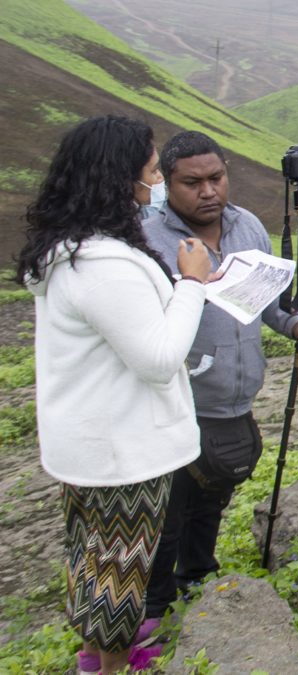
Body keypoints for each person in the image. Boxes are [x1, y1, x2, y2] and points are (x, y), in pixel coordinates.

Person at [15, 115, 213, 673]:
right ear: (119, 178)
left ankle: (95, 657)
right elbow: (156, 358)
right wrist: (193, 283)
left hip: (89, 439)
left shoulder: (70, 250)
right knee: (123, 571)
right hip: (122, 449)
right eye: (151, 172)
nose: (155, 183)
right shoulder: (103, 266)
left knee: (93, 560)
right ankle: (114, 663)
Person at [139, 130, 298, 635]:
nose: (208, 191)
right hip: (176, 401)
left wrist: (295, 324)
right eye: (192, 182)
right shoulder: (145, 240)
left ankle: (198, 580)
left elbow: (265, 300)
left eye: (216, 178)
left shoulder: (248, 227)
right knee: (170, 510)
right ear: (168, 182)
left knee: (213, 495)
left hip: (235, 393)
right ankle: (154, 612)